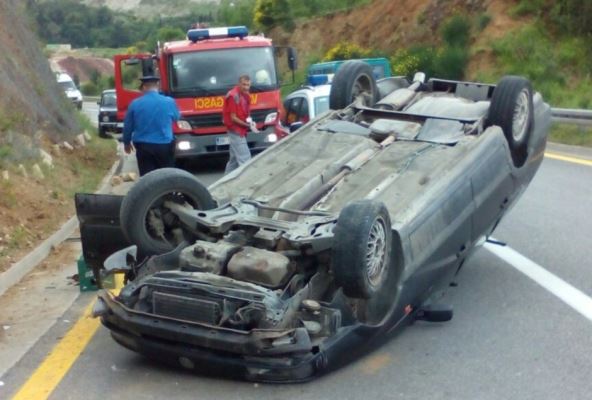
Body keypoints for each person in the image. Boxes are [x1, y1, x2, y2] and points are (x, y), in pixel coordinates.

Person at [123, 75, 180, 176]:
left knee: (147, 177)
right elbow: (176, 117)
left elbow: (128, 126)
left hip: (143, 146)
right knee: (167, 176)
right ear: (157, 85)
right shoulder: (169, 101)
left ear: (144, 87)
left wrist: (126, 143)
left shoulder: (134, 104)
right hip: (164, 145)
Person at [223, 75, 259, 173]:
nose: (246, 87)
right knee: (245, 159)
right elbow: (233, 118)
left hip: (239, 129)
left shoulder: (245, 95)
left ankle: (226, 180)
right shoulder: (233, 96)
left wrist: (250, 123)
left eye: (248, 85)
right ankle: (248, 180)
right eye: (244, 84)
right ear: (238, 84)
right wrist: (248, 126)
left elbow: (246, 112)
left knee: (234, 161)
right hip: (235, 130)